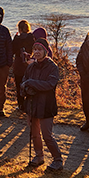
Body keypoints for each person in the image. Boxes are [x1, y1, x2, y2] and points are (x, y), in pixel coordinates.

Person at [21, 37, 63, 171]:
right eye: (35, 49)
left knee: (47, 135)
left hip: (46, 105)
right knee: (34, 133)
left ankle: (58, 160)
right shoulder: (31, 67)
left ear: (46, 51)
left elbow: (50, 85)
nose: (37, 52)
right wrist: (27, 88)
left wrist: (31, 84)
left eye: (40, 49)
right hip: (32, 105)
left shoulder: (52, 67)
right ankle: (39, 156)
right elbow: (23, 83)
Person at [12, 20, 36, 111]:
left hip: (18, 64)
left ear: (20, 29)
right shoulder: (31, 37)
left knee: (19, 85)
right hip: (29, 64)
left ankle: (21, 105)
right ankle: (29, 104)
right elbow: (34, 50)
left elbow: (12, 50)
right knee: (29, 85)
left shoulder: (17, 39)